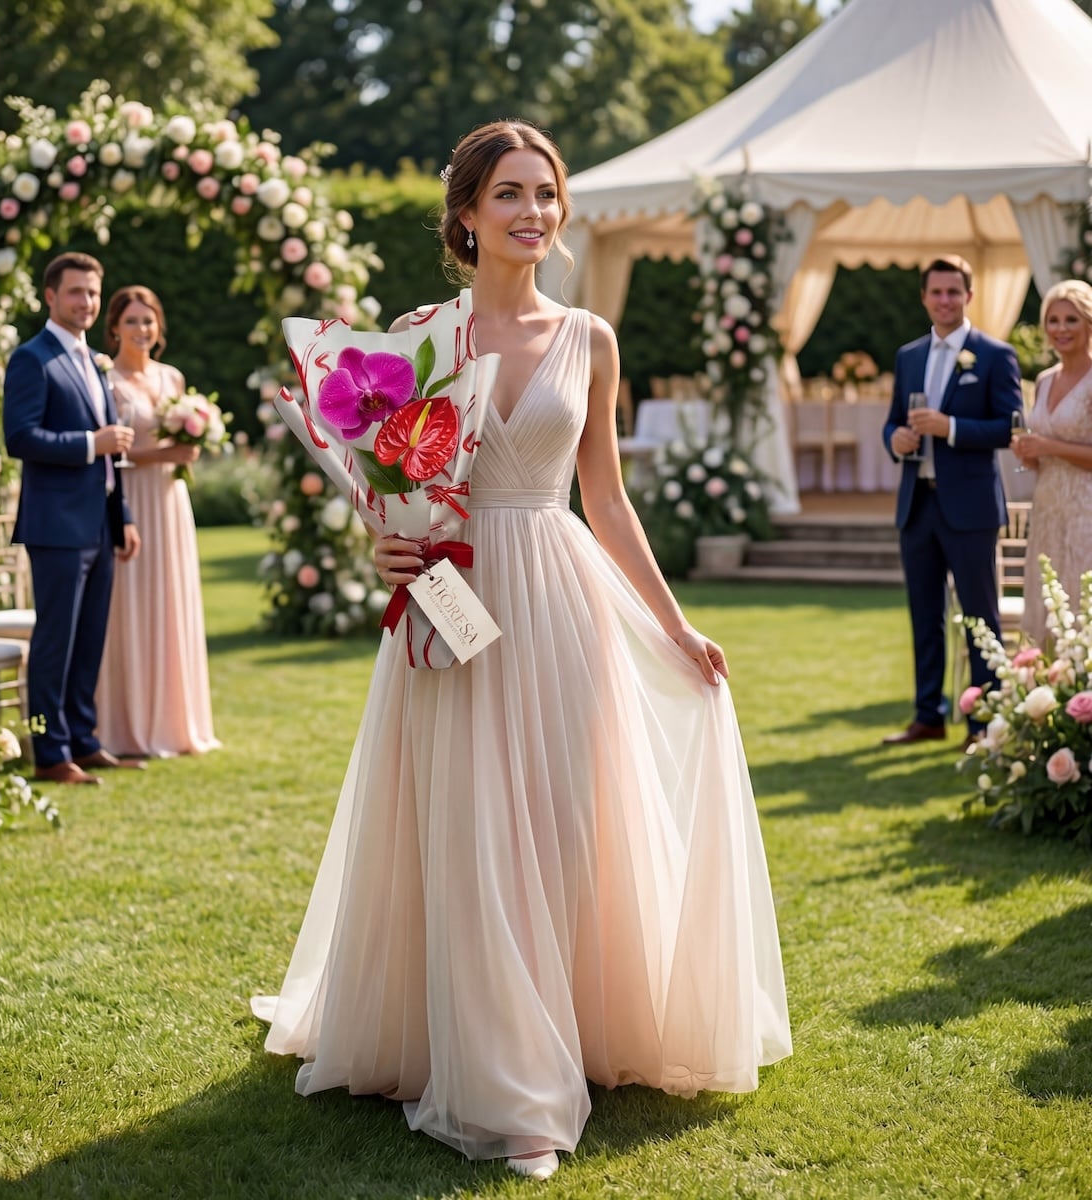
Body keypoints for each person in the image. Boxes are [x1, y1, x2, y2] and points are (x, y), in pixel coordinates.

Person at [252, 120, 791, 1181]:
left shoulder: (590, 336)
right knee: (470, 831)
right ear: (467, 214)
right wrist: (387, 544)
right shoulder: (419, 337)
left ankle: (572, 1032)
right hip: (452, 597)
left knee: (565, 828)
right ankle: (512, 1091)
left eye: (546, 193)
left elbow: (608, 497)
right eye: (510, 193)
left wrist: (676, 625)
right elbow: (389, 486)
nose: (533, 212)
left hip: (559, 592)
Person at [3, 251, 144, 785]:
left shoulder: (92, 360)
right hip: (56, 526)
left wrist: (122, 514)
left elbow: (114, 453)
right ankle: (49, 751)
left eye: (91, 292)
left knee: (90, 640)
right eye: (74, 292)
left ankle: (83, 740)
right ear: (50, 297)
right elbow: (20, 437)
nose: (85, 302)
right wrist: (91, 442)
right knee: (55, 643)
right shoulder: (31, 358)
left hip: (99, 524)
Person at [882, 255, 1021, 748]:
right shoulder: (908, 355)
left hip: (971, 509)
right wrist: (894, 438)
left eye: (953, 292)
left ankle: (985, 723)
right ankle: (929, 716)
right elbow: (894, 419)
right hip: (917, 504)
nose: (944, 300)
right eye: (936, 292)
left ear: (969, 296)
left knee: (980, 618)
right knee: (925, 615)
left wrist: (952, 429)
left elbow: (1010, 426)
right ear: (924, 297)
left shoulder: (994, 354)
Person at [93, 285, 220, 757]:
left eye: (148, 321)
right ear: (114, 328)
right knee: (128, 606)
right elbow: (111, 454)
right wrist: (163, 453)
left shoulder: (173, 379)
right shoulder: (106, 382)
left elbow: (185, 449)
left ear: (159, 327)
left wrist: (189, 450)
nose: (141, 330)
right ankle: (126, 725)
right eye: (131, 321)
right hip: (129, 502)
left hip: (170, 502)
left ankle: (174, 720)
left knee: (171, 600)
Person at [1014, 279, 1092, 642]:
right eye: (1053, 320)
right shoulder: (1044, 381)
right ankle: (1047, 695)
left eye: (1071, 320)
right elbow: (1044, 451)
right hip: (1047, 508)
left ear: (1089, 323)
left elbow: (1054, 445)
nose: (1061, 329)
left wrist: (1048, 445)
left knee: (1081, 607)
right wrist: (1031, 455)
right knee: (1047, 605)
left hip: (1086, 512)